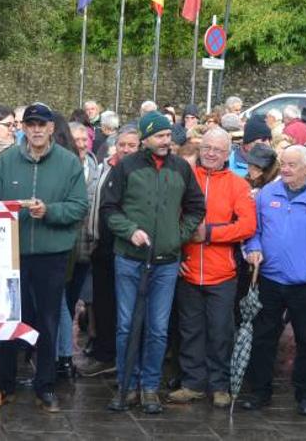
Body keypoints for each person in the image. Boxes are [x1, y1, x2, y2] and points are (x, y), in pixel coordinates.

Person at [0, 103, 88, 413]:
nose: (37, 129)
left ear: (52, 128)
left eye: (42, 124)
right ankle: (3, 385)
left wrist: (50, 212)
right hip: (13, 255)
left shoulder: (69, 163)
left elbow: (79, 206)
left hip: (51, 255)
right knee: (9, 320)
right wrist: (10, 211)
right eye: (31, 124)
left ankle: (45, 386)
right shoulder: (6, 162)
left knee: (48, 321)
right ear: (24, 128)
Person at [100, 111, 206, 414]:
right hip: (130, 259)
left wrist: (177, 235)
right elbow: (109, 208)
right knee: (126, 325)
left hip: (166, 262)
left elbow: (197, 206)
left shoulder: (181, 169)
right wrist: (129, 231)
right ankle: (125, 385)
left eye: (168, 136)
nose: (166, 141)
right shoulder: (126, 167)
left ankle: (149, 387)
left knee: (158, 328)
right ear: (146, 138)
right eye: (160, 136)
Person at [238, 145, 306, 416]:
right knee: (263, 337)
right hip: (269, 279)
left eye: (292, 165)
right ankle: (259, 391)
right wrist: (254, 248)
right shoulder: (266, 194)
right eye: (283, 163)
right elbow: (253, 230)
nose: (284, 169)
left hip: (304, 283)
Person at [167, 128, 256, 409]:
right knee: (190, 330)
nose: (211, 153)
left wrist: (210, 234)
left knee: (221, 332)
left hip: (222, 272)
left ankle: (219, 385)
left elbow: (247, 226)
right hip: (188, 268)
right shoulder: (185, 177)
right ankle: (192, 383)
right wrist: (176, 254)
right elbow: (170, 218)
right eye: (207, 148)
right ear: (200, 147)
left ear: (227, 152)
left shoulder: (238, 185)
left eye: (217, 149)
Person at [78, 127, 141, 377]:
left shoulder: (138, 171)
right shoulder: (103, 167)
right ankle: (104, 351)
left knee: (119, 306)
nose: (126, 149)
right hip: (99, 245)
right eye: (122, 144)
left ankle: (116, 356)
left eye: (131, 145)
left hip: (123, 246)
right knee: (102, 302)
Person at [57, 122, 101, 379]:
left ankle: (66, 351)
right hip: (66, 246)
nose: (82, 144)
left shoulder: (99, 168)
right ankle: (63, 354)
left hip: (88, 249)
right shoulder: (63, 168)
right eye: (77, 139)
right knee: (62, 301)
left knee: (74, 301)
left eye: (85, 139)